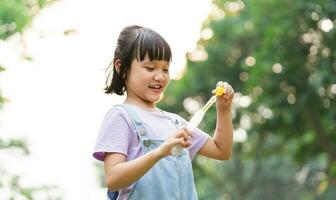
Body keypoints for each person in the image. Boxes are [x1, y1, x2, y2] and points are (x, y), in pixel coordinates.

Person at [93, 25, 234, 200]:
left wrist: (224, 108)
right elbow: (113, 179)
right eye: (150, 68)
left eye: (165, 69)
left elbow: (222, 151)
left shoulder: (174, 123)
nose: (160, 76)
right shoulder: (121, 116)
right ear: (122, 67)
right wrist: (160, 152)